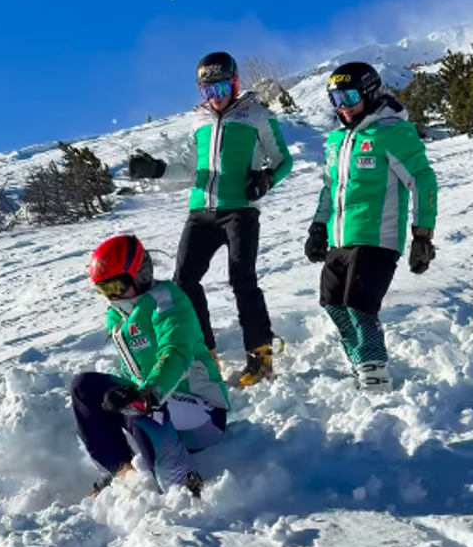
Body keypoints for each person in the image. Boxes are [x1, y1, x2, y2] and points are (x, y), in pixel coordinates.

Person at [127, 51, 293, 386]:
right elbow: (189, 170)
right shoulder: (198, 120)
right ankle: (206, 356)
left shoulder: (256, 114)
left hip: (240, 210)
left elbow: (283, 160)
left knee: (242, 280)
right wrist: (157, 169)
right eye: (206, 91)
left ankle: (260, 357)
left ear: (234, 83)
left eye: (219, 89)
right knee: (184, 283)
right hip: (200, 211)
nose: (213, 98)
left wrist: (265, 179)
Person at [304, 62, 438, 391]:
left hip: (379, 237)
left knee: (360, 305)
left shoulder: (392, 132)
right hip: (340, 238)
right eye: (335, 99)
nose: (343, 106)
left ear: (369, 92)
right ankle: (361, 363)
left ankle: (375, 378)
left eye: (349, 97)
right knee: (333, 303)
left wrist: (422, 235)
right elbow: (329, 188)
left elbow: (422, 180)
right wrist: (318, 227)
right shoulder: (336, 141)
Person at [71, 234, 230, 497]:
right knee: (85, 387)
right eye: (105, 290)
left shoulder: (167, 301)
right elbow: (132, 369)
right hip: (163, 407)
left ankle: (182, 482)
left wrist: (149, 392)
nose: (113, 297)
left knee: (137, 403)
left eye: (118, 287)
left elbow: (175, 352)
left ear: (140, 275)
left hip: (203, 413)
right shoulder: (117, 317)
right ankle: (123, 474)